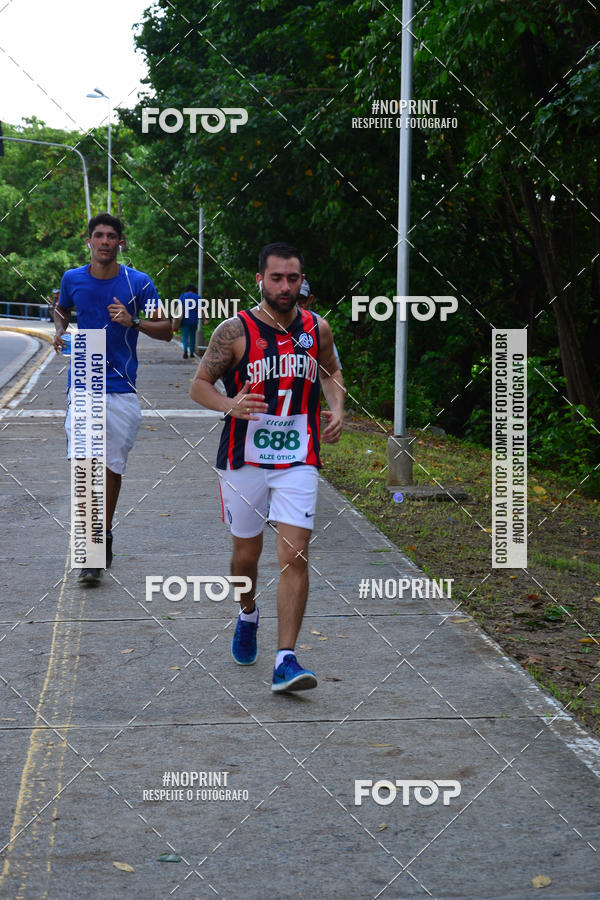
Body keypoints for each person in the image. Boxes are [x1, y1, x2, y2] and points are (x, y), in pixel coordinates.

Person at [190, 242, 345, 692]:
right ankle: (247, 612)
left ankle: (286, 659)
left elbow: (331, 372)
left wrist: (337, 408)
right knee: (246, 556)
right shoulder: (234, 332)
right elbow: (198, 385)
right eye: (276, 278)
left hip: (298, 457)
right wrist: (230, 404)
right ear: (260, 280)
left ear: (302, 281)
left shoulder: (318, 329)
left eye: (292, 278)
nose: (284, 286)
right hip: (244, 459)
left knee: (295, 553)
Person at [53, 213, 172, 584]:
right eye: (98, 235)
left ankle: (102, 532)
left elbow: (168, 330)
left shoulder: (138, 282)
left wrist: (132, 322)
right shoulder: (72, 278)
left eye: (111, 237)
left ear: (121, 243)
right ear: (88, 241)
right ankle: (90, 551)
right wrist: (60, 330)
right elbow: (61, 307)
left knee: (111, 468)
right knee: (85, 465)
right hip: (84, 378)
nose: (104, 241)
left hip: (121, 386)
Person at [298, 278, 342, 371]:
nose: (297, 303)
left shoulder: (319, 325)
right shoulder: (276, 321)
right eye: (294, 298)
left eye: (302, 299)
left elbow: (333, 369)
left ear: (310, 299)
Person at [177, 283, 202, 359]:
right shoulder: (198, 297)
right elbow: (201, 309)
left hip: (184, 319)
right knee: (192, 336)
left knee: (184, 336)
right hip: (194, 320)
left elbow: (179, 308)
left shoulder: (183, 296)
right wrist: (205, 319)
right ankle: (191, 353)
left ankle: (185, 350)